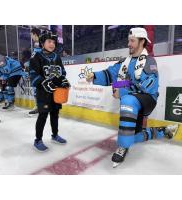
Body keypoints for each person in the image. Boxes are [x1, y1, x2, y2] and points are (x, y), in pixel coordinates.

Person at [86, 27, 179, 166]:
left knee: (128, 100)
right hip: (133, 99)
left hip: (148, 99)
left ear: (142, 42)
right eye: (129, 40)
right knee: (134, 135)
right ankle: (162, 131)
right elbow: (111, 73)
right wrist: (95, 76)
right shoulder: (125, 61)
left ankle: (122, 147)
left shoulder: (149, 61)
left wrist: (122, 91)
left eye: (132, 41)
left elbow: (148, 86)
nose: (129, 44)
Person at [30, 30, 70, 152]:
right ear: (42, 43)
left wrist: (63, 81)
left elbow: (62, 72)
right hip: (43, 93)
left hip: (56, 92)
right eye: (49, 41)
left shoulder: (57, 57)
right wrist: (44, 82)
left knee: (55, 115)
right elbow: (33, 75)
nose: (52, 44)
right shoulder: (36, 56)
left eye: (53, 42)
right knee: (42, 116)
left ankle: (55, 135)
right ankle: (38, 140)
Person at [28, 28, 42, 116]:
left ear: (34, 34)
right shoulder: (36, 44)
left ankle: (39, 107)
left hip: (38, 71)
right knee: (36, 90)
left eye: (31, 35)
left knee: (38, 89)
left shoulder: (41, 43)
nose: (31, 37)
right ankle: (38, 107)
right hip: (34, 71)